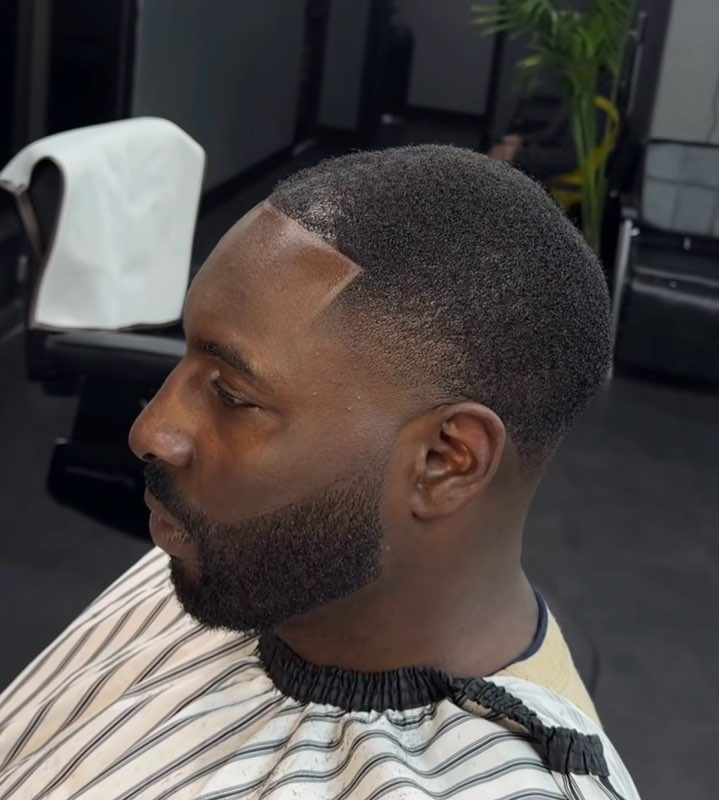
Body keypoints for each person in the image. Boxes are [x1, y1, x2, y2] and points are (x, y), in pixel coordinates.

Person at [0, 145, 639, 799]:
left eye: (231, 395)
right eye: (184, 353)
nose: (149, 431)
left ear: (447, 461)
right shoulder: (244, 561)